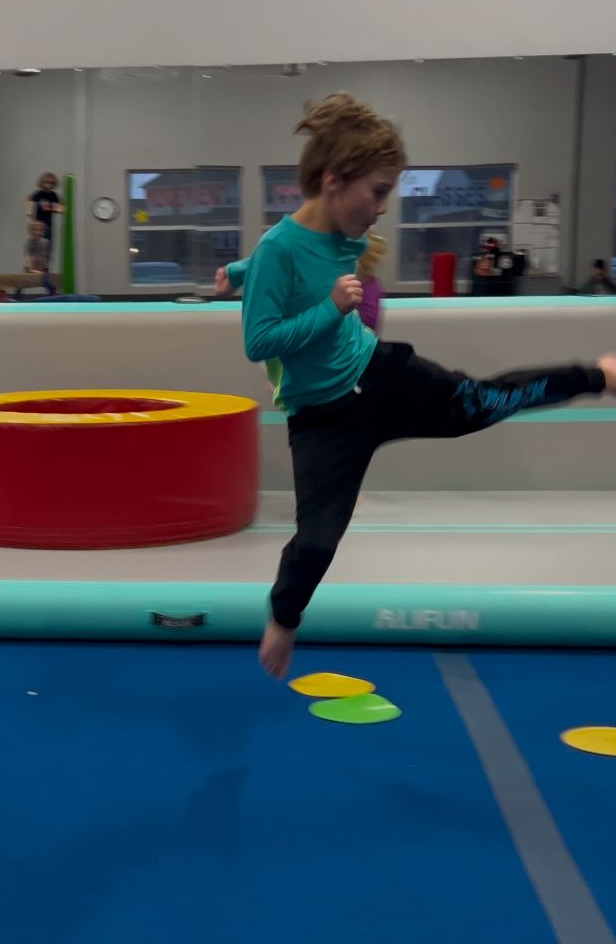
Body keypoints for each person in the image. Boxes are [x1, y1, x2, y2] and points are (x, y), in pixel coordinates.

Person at [229, 92, 616, 681]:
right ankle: (283, 619)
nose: (383, 208)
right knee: (317, 542)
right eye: (379, 191)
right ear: (334, 180)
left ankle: (598, 376)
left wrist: (236, 272)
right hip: (322, 420)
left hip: (381, 377)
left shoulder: (343, 232)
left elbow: (278, 262)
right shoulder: (279, 249)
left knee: (486, 402)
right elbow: (258, 341)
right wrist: (328, 307)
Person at [23, 172, 66, 251]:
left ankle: (46, 254)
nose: (48, 185)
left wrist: (53, 208)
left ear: (53, 185)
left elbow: (62, 207)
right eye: (46, 183)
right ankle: (35, 253)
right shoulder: (38, 194)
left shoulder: (53, 195)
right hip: (38, 223)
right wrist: (29, 212)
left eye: (51, 183)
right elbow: (28, 200)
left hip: (48, 223)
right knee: (37, 242)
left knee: (47, 242)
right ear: (42, 183)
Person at [23, 221, 57, 294]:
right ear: (30, 232)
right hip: (31, 267)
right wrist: (31, 269)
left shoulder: (45, 242)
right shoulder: (29, 242)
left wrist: (40, 271)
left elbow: (44, 259)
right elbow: (28, 257)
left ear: (42, 232)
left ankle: (53, 295)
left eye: (39, 230)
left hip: (43, 268)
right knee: (21, 282)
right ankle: (16, 297)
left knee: (47, 282)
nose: (36, 232)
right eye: (34, 230)